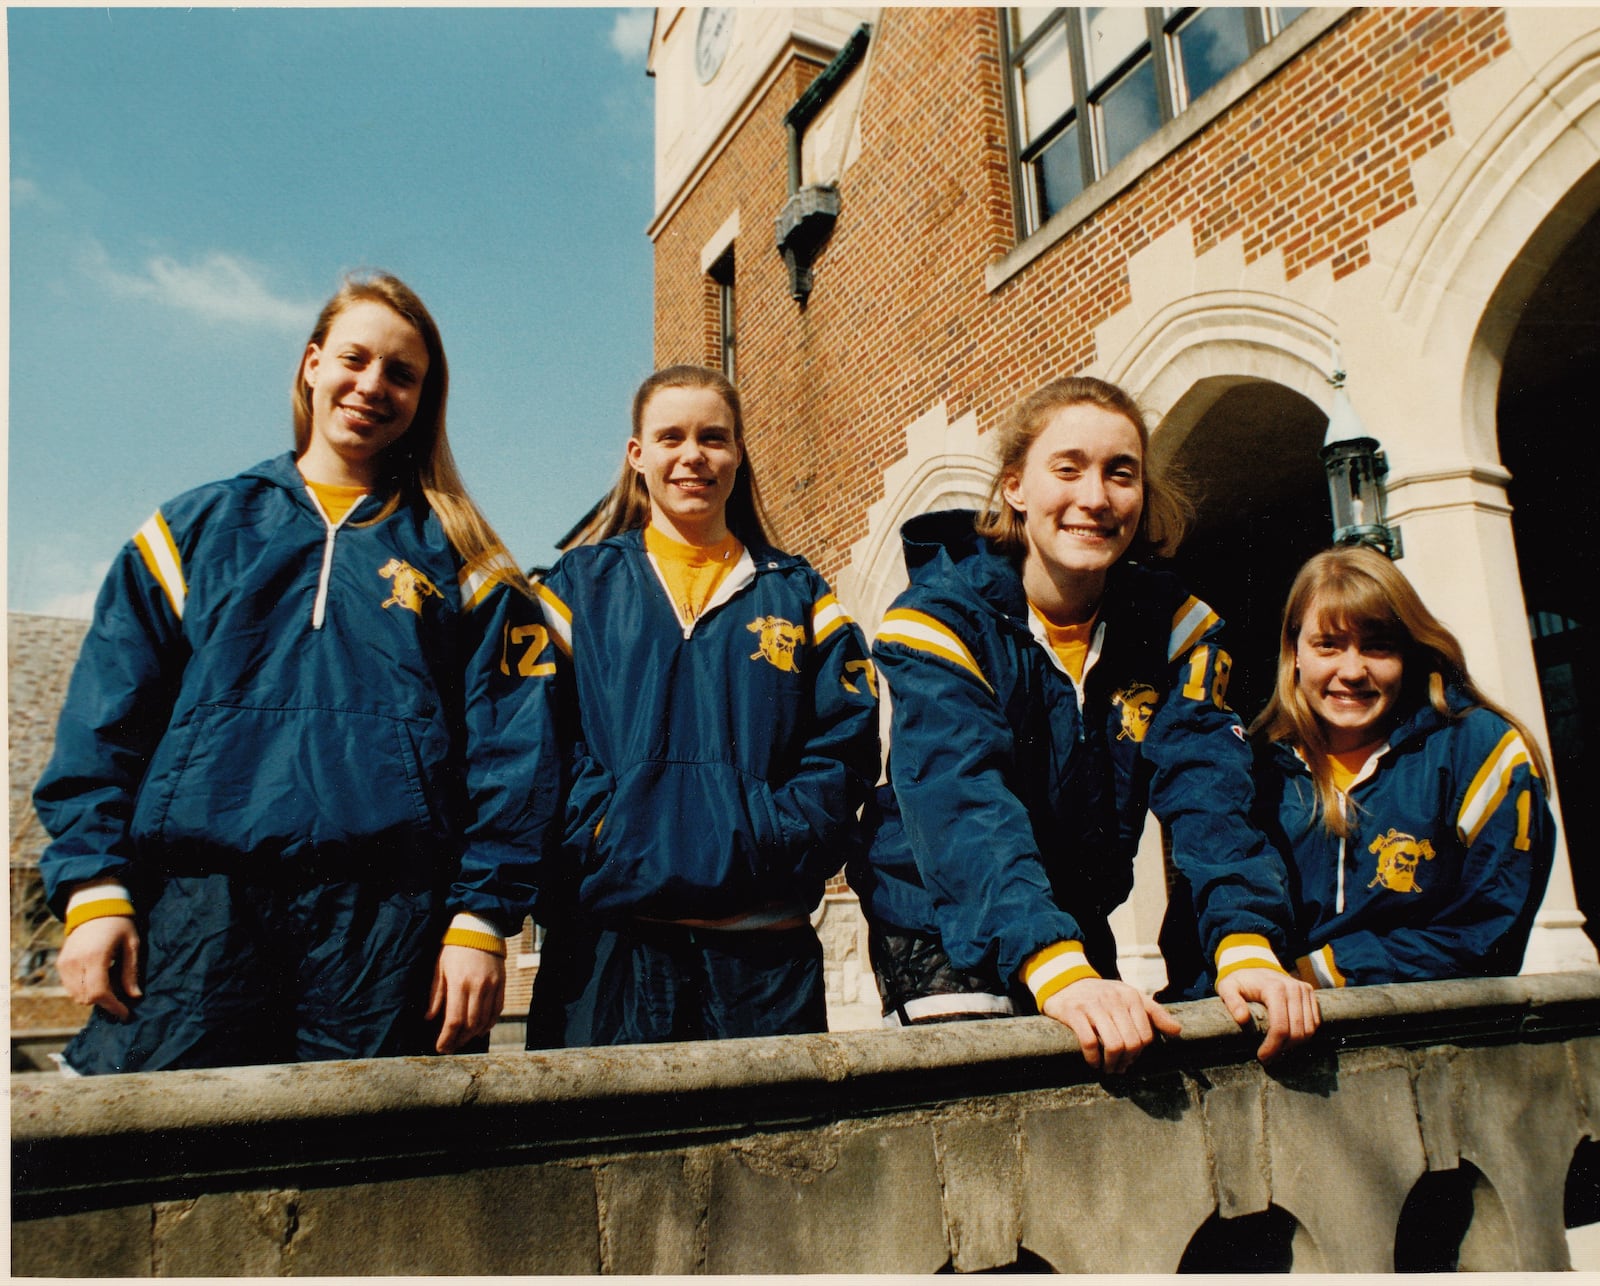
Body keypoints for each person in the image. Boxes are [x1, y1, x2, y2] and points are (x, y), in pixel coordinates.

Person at [34, 271, 557, 1073]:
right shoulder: (193, 531)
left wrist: (481, 920)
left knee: (372, 1174)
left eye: (401, 373)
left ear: (425, 398)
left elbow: (514, 757)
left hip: (387, 923)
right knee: (173, 1165)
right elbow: (104, 727)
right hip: (204, 904)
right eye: (355, 359)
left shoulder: (467, 560)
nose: (372, 385)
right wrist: (93, 889)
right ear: (312, 364)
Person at [850, 375, 1319, 1073]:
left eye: (1120, 474)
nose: (1095, 498)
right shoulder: (938, 622)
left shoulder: (1178, 629)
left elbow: (1211, 793)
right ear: (1016, 487)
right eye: (1067, 469)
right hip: (942, 918)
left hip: (1072, 910)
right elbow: (964, 802)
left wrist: (1245, 944)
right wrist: (1056, 967)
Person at [525, 364, 880, 1047]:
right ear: (638, 456)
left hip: (761, 962)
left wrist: (773, 836)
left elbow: (846, 745)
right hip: (608, 952)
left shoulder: (801, 596)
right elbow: (538, 742)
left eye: (713, 438)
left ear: (739, 453)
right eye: (671, 437)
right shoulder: (579, 589)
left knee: (771, 1153)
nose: (693, 456)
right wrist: (602, 833)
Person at [1238, 544, 1554, 986]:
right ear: (1294, 653)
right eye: (1328, 645)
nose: (1352, 669)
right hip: (1270, 1028)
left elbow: (1489, 931)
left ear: (1409, 652)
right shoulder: (1250, 768)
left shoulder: (1478, 750)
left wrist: (1330, 970)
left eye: (1378, 646)